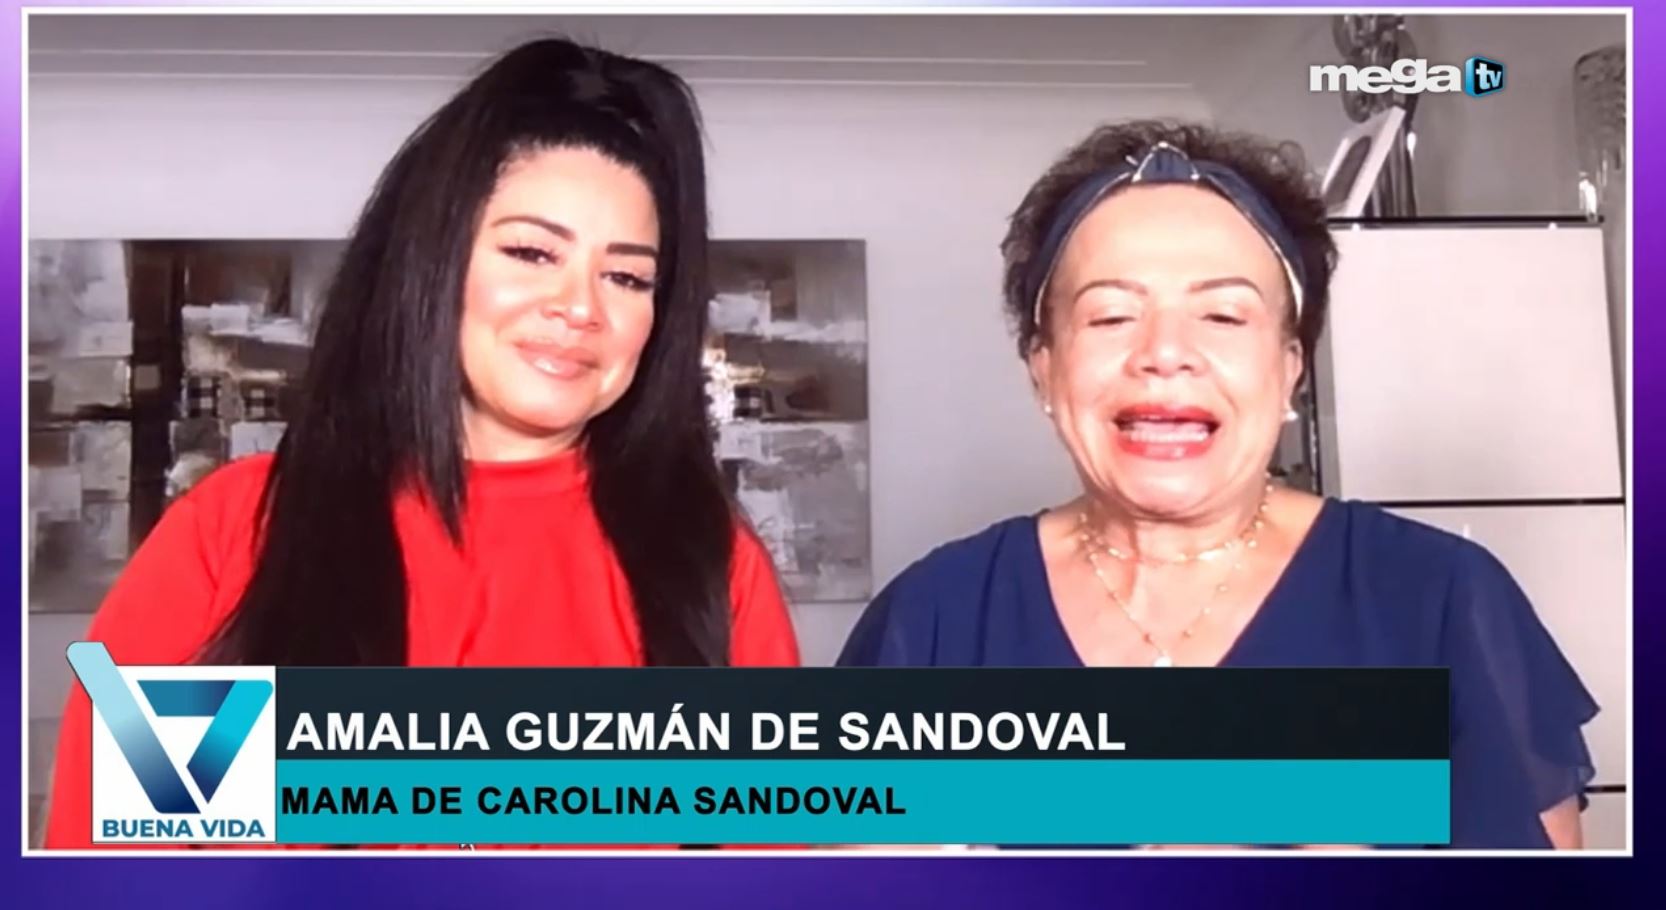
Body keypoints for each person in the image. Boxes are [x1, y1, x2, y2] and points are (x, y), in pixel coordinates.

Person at [45, 37, 800, 849]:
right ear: (432, 264)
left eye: (627, 277)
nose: (581, 307)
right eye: (531, 252)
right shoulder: (233, 531)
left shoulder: (712, 564)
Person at [836, 119, 1598, 850]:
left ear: (1290, 367)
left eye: (1224, 316)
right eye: (1110, 316)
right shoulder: (932, 617)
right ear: (1044, 368)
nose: (1166, 352)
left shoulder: (1439, 598)